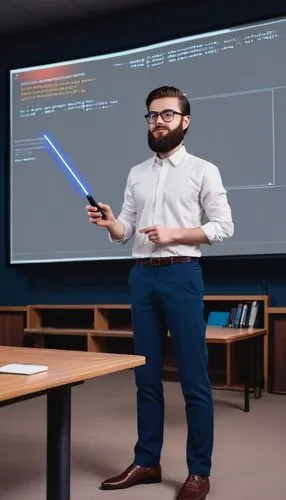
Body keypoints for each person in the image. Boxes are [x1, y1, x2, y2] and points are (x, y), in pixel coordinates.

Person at [86, 86, 234, 500]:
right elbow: (125, 233)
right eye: (152, 115)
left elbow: (223, 227)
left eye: (167, 115)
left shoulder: (204, 170)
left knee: (194, 380)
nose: (158, 122)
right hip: (142, 278)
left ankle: (198, 471)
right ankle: (147, 461)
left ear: (185, 122)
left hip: (183, 275)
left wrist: (174, 234)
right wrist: (111, 222)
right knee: (146, 377)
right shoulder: (136, 173)